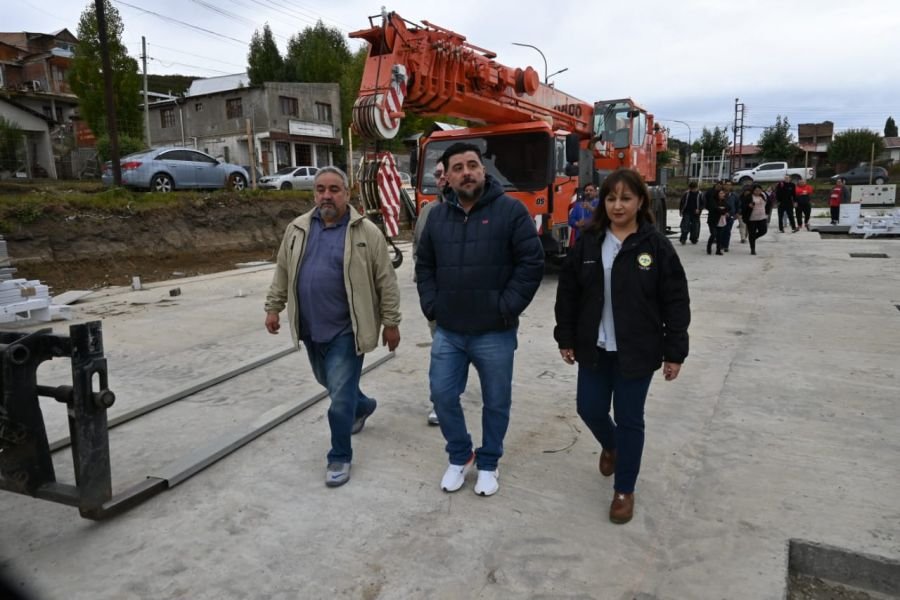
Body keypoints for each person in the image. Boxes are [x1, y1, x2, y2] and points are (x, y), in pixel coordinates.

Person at [553, 168, 690, 524]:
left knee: (630, 419)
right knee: (589, 408)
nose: (617, 205)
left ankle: (624, 490)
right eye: (611, 198)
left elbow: (676, 300)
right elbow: (568, 293)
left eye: (626, 198)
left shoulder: (655, 246)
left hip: (638, 351)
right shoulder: (588, 241)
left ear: (641, 201)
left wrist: (675, 352)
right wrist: (565, 337)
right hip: (594, 348)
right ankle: (612, 445)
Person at [415, 142, 544, 497]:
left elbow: (531, 263)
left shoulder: (511, 211)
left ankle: (489, 462)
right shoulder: (437, 217)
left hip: (494, 332)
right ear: (447, 177)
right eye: (457, 168)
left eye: (472, 165)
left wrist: (506, 307)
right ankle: (461, 455)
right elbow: (424, 265)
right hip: (449, 331)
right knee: (442, 396)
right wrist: (432, 306)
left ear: (483, 170)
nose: (467, 172)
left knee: (496, 401)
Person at [264, 166, 402, 488]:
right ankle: (363, 406)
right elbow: (283, 271)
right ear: (314, 193)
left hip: (347, 329)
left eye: (334, 189)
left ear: (347, 193)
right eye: (320, 189)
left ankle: (339, 456)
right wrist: (273, 306)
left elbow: (387, 282)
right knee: (329, 381)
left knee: (339, 398)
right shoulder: (297, 229)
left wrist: (391, 323)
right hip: (311, 328)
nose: (326, 195)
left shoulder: (367, 232)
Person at [413, 162, 448, 427]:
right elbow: (418, 253)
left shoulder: (488, 211)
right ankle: (441, 402)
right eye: (437, 175)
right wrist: (429, 297)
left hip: (478, 303)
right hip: (440, 301)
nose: (441, 179)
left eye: (445, 173)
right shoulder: (428, 212)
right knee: (441, 352)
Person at [742, 184, 769, 255]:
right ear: (753, 190)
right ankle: (752, 249)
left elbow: (768, 203)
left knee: (763, 231)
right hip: (752, 218)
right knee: (752, 233)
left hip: (762, 217)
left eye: (759, 190)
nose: (758, 192)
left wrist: (767, 212)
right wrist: (748, 206)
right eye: (756, 190)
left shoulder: (763, 196)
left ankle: (753, 238)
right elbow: (743, 205)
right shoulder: (749, 197)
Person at [678, 181, 703, 245]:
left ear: (697, 188)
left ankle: (694, 239)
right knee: (685, 226)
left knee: (695, 226)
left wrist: (699, 209)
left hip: (696, 213)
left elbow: (703, 203)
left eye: (694, 189)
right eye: (692, 189)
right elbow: (682, 203)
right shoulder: (686, 194)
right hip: (687, 212)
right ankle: (683, 238)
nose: (693, 190)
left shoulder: (700, 194)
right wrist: (680, 211)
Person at [704, 180, 724, 255]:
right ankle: (709, 247)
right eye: (720, 193)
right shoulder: (712, 199)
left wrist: (725, 211)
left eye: (722, 193)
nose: (722, 194)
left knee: (719, 236)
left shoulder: (723, 201)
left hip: (720, 220)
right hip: (712, 219)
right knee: (713, 234)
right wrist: (721, 210)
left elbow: (728, 207)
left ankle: (718, 250)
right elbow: (714, 208)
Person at [722, 181, 739, 251]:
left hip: (731, 215)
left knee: (728, 230)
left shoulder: (734, 195)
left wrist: (737, 213)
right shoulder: (720, 194)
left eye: (729, 185)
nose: (728, 186)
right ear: (724, 185)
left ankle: (726, 246)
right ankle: (721, 244)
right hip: (721, 215)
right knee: (721, 230)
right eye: (726, 185)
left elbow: (738, 204)